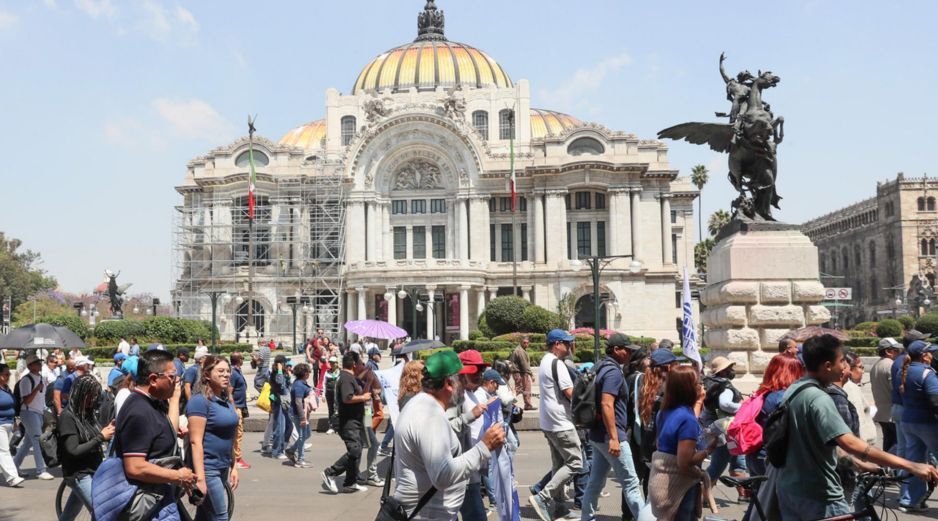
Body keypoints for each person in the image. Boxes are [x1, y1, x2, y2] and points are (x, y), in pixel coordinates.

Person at [776, 334, 938, 520]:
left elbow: (828, 446)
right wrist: (910, 465)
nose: (845, 366)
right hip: (820, 494)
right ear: (828, 366)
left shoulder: (795, 388)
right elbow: (850, 443)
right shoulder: (819, 398)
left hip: (790, 490)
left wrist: (864, 466)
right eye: (841, 361)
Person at [392, 350, 505, 521]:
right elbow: (442, 475)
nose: (464, 386)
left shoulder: (422, 405)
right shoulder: (429, 415)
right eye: (461, 379)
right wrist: (484, 447)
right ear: (448, 383)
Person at [115, 350, 198, 512]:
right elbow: (135, 467)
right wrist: (178, 476)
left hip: (161, 497)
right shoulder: (138, 410)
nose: (176, 382)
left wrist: (174, 400)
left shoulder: (154, 403)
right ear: (153, 379)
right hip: (146, 502)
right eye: (172, 376)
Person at [581, 332, 644, 520]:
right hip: (611, 436)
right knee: (632, 485)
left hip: (597, 435)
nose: (630, 354)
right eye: (627, 350)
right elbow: (607, 403)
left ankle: (587, 518)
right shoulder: (614, 372)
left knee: (595, 484)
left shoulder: (599, 366)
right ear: (616, 350)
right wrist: (615, 438)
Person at [645, 365, 713, 521]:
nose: (701, 386)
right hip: (679, 487)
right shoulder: (687, 420)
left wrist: (698, 402)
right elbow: (684, 463)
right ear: (688, 388)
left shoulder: (665, 411)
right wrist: (709, 450)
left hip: (661, 484)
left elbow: (686, 423)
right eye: (698, 382)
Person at [529, 329, 584, 521]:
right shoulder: (558, 365)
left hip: (548, 421)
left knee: (559, 464)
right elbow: (570, 392)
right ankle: (543, 498)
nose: (569, 347)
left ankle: (560, 507)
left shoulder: (544, 361)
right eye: (567, 343)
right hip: (561, 421)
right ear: (557, 344)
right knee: (577, 462)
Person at [186, 354, 239, 521]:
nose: (226, 375)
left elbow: (230, 436)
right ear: (207, 375)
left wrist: (234, 465)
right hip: (208, 469)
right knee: (220, 516)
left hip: (223, 466)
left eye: (228, 371)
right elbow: (195, 442)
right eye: (220, 371)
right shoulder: (199, 402)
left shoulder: (225, 400)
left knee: (204, 516)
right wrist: (200, 479)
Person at [57, 375, 114, 521]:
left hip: (93, 470)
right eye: (91, 395)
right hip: (79, 474)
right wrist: (100, 437)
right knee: (102, 513)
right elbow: (73, 450)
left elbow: (95, 434)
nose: (94, 399)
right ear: (81, 393)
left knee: (69, 514)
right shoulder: (68, 416)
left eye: (96, 395)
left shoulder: (86, 414)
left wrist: (109, 429)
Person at [896, 339, 938, 512]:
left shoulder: (902, 371)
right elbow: (936, 400)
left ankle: (908, 500)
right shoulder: (927, 373)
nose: (932, 355)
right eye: (930, 352)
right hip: (927, 423)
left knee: (914, 462)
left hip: (908, 421)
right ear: (923, 355)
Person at [321, 351, 371, 494]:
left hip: (355, 420)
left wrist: (367, 381)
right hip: (347, 421)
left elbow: (358, 394)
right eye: (360, 362)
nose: (361, 365)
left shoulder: (349, 377)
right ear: (354, 364)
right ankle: (331, 472)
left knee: (357, 449)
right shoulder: (346, 378)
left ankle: (351, 482)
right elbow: (347, 398)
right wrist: (362, 398)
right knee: (355, 449)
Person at [701, 356, 748, 501]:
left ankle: (745, 495)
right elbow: (725, 404)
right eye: (728, 369)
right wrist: (744, 407)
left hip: (724, 430)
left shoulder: (710, 383)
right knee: (717, 467)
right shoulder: (725, 386)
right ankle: (700, 496)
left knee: (738, 464)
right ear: (722, 372)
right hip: (726, 431)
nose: (731, 371)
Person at [14, 354, 53, 480]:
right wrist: (37, 389)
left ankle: (14, 466)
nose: (40, 364)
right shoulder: (26, 380)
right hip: (29, 412)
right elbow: (26, 401)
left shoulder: (40, 377)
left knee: (28, 442)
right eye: (37, 363)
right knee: (37, 440)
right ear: (30, 366)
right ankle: (41, 470)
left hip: (38, 412)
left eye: (40, 362)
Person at [869, 337, 900, 453]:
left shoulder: (876, 366)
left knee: (888, 442)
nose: (899, 353)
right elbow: (895, 390)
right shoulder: (891, 365)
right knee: (896, 445)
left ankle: (886, 467)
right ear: (888, 351)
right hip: (891, 414)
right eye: (896, 350)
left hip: (882, 413)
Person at [843, 352, 876, 445]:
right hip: (861, 446)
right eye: (860, 367)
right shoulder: (851, 389)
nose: (863, 371)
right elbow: (859, 421)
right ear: (849, 369)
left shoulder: (848, 387)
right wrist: (863, 447)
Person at [0, 364, 24, 487]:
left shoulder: (7, 389)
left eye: (9, 373)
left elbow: (15, 407)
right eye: (6, 374)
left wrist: (17, 422)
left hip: (9, 423)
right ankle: (13, 477)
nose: (9, 376)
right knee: (4, 451)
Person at [287, 363, 314, 468]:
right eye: (308, 372)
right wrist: (302, 418)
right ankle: (300, 459)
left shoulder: (300, 383)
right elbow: (298, 402)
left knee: (307, 434)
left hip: (300, 414)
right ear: (305, 373)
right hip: (298, 414)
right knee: (302, 435)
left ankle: (291, 450)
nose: (309, 374)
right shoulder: (299, 385)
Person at [229, 352, 250, 470]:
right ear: (239, 360)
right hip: (236, 407)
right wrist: (233, 409)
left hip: (239, 406)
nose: (243, 360)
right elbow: (229, 391)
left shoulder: (237, 371)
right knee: (238, 434)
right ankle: (237, 459)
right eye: (242, 358)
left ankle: (236, 457)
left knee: (238, 433)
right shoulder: (234, 373)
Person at [267, 354, 291, 460]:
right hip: (278, 403)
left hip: (285, 402)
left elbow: (287, 385)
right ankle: (277, 451)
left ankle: (283, 447)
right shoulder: (275, 374)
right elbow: (280, 384)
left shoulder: (283, 373)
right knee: (279, 428)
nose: (287, 365)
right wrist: (280, 370)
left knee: (290, 426)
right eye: (285, 363)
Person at [509, 336, 536, 410]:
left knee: (525, 389)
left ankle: (528, 405)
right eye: (524, 343)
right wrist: (531, 374)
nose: (526, 344)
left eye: (527, 343)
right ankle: (507, 402)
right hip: (520, 373)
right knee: (520, 389)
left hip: (521, 372)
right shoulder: (520, 351)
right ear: (521, 342)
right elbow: (524, 364)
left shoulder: (521, 350)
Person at [324, 356, 341, 434]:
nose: (332, 364)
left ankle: (339, 427)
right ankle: (331, 426)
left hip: (338, 394)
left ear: (337, 363)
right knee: (331, 410)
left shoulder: (340, 372)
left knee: (339, 410)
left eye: (334, 363)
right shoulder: (327, 372)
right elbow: (324, 384)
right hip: (329, 393)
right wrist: (323, 395)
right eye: (330, 363)